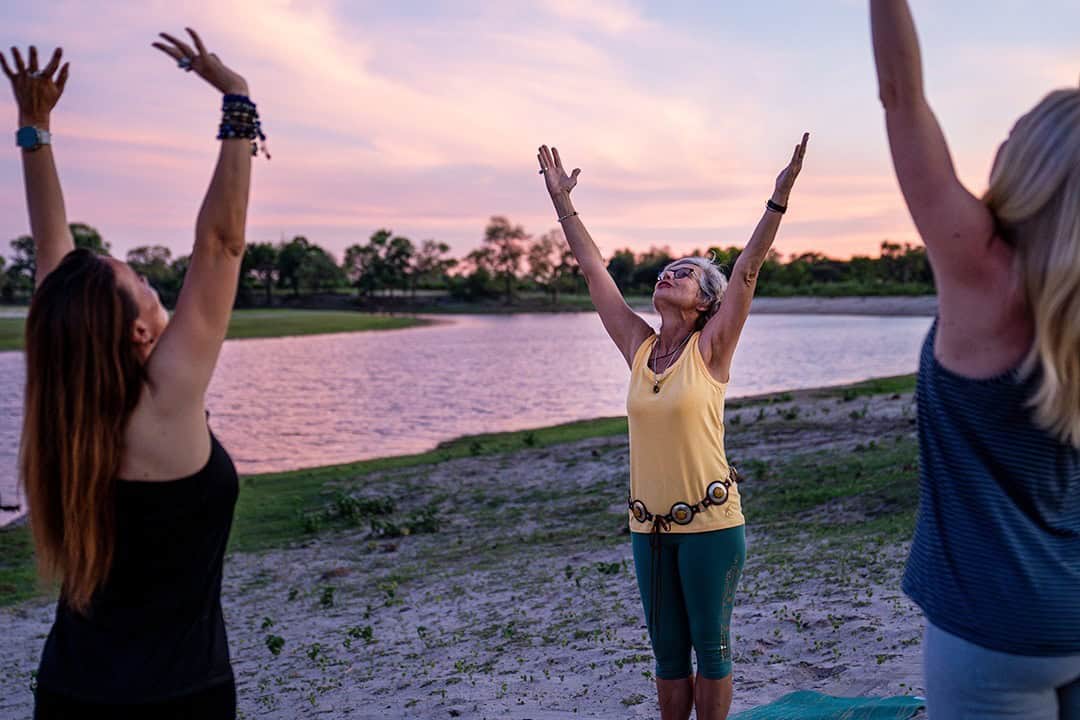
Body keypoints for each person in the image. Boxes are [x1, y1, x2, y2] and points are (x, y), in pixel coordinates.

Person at [5, 29, 261, 719]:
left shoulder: (66, 402)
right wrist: (237, 99)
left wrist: (35, 129)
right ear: (141, 331)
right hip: (180, 698)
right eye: (142, 279)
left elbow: (53, 263)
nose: (152, 282)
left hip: (68, 693)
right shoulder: (166, 402)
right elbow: (221, 242)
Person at [536, 135, 808, 720]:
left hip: (710, 524)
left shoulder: (711, 350)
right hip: (647, 528)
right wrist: (563, 203)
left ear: (704, 303)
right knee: (665, 656)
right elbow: (592, 270)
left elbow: (748, 269)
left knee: (710, 650)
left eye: (684, 274)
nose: (669, 274)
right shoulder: (638, 346)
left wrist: (777, 200)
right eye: (666, 270)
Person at [869, 2, 1080, 716]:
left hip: (994, 635)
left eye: (1016, 130)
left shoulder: (983, 274)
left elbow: (903, 97)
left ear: (1038, 164)